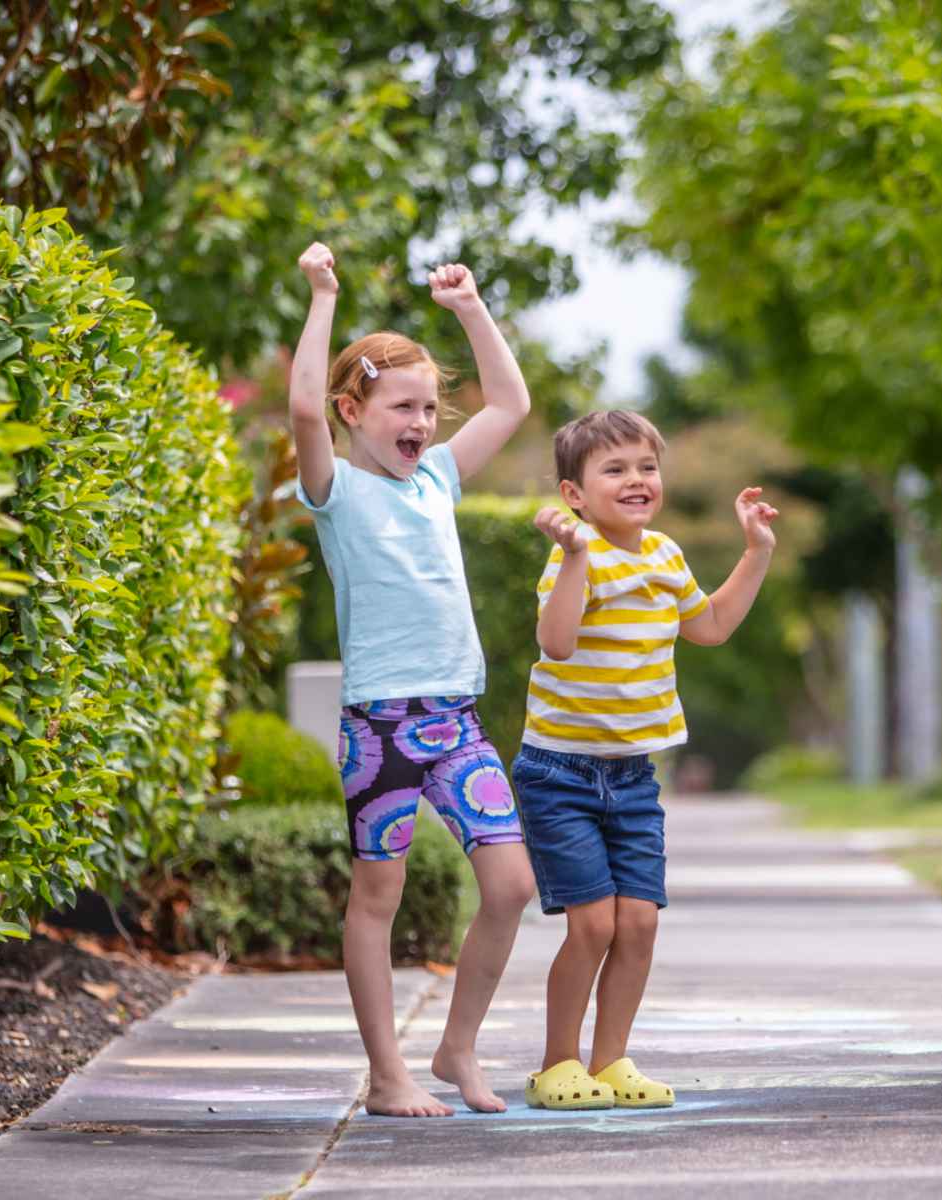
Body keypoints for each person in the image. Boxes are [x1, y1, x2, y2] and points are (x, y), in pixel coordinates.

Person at [290, 242, 536, 1117]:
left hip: (455, 723)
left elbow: (512, 401)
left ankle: (457, 1049)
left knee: (511, 887)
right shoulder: (335, 493)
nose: (423, 422)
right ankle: (387, 1072)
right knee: (377, 897)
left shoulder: (437, 479)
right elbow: (301, 410)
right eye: (403, 406)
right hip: (378, 729)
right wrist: (324, 296)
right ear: (355, 409)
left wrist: (470, 308)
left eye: (431, 407)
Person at [513, 410, 777, 1110]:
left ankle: (611, 1061)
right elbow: (558, 641)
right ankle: (556, 1064)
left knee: (640, 923)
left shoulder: (663, 554)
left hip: (632, 775)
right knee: (592, 924)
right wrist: (572, 557)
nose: (636, 480)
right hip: (559, 773)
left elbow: (711, 626)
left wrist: (756, 553)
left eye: (646, 467)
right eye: (615, 469)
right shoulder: (576, 552)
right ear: (574, 493)